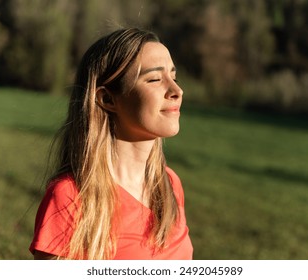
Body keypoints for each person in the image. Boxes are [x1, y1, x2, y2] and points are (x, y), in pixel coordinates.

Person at [29, 27, 193, 260]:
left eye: (173, 77)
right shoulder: (71, 196)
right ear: (107, 99)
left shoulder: (169, 185)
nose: (177, 90)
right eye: (155, 79)